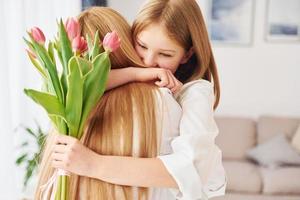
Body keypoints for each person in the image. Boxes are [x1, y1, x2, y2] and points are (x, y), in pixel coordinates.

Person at [50, 0, 227, 199]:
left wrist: (93, 164)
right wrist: (134, 73)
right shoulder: (136, 78)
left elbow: (188, 169)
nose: (149, 62)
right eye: (142, 46)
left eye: (165, 54)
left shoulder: (197, 93)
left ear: (187, 55)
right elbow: (78, 86)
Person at [35, 7, 175, 200]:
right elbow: (188, 175)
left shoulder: (65, 111)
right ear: (126, 43)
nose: (150, 60)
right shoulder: (162, 101)